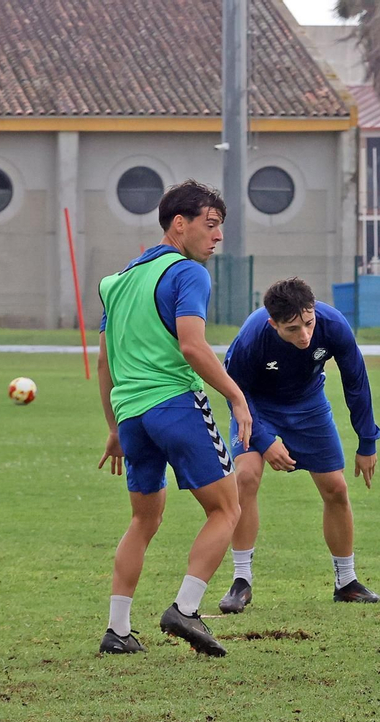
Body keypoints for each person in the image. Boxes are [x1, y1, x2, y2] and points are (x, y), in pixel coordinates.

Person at [95, 180, 251, 657]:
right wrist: (237, 397)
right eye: (210, 224)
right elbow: (192, 345)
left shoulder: (116, 282)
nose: (218, 236)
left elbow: (105, 362)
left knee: (144, 520)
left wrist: (114, 427)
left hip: (132, 415)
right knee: (227, 509)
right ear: (178, 224)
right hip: (175, 405)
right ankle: (185, 609)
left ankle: (117, 631)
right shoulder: (188, 273)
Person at [217, 278, 380, 612]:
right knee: (246, 477)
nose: (304, 335)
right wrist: (264, 441)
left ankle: (346, 582)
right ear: (273, 323)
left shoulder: (334, 325)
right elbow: (235, 391)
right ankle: (241, 581)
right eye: (292, 329)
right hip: (255, 406)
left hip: (308, 405)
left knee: (336, 489)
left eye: (308, 324)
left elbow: (356, 381)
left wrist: (367, 441)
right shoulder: (253, 335)